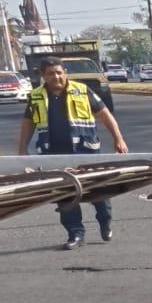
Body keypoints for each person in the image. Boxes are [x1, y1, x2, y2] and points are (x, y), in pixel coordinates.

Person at [15, 56, 130, 250]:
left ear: (65, 73)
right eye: (51, 73)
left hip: (86, 152)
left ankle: (105, 220)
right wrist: (22, 149)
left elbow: (105, 115)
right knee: (66, 196)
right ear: (43, 76)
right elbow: (28, 123)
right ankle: (75, 234)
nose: (56, 77)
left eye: (59, 72)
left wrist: (118, 138)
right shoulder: (35, 96)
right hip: (54, 155)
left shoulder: (82, 90)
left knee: (99, 192)